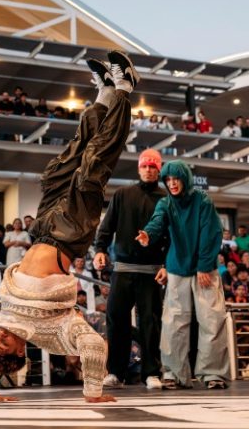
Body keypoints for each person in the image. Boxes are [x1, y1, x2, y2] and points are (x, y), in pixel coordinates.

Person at [0, 51, 139, 404]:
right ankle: (125, 88)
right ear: (19, 351)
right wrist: (93, 392)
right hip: (70, 234)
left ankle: (105, 94)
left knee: (63, 164)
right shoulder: (52, 335)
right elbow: (93, 345)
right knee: (93, 164)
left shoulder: (3, 323)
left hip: (43, 228)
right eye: (4, 342)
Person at [136, 159, 230, 390]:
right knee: (173, 324)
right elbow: (157, 222)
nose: (172, 183)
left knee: (211, 321)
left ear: (185, 178)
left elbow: (212, 233)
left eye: (176, 178)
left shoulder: (202, 200)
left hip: (204, 269)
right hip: (177, 268)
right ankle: (173, 373)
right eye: (168, 179)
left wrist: (204, 266)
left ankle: (213, 374)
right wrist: (148, 234)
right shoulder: (166, 203)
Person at [94, 148, 167, 390]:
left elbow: (172, 236)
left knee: (150, 323)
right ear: (139, 168)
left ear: (159, 170)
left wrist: (167, 265)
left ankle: (151, 372)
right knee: (116, 320)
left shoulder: (166, 200)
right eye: (145, 166)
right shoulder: (122, 194)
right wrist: (100, 249)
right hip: (123, 268)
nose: (148, 170)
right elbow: (107, 226)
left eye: (153, 166)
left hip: (151, 270)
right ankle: (116, 372)